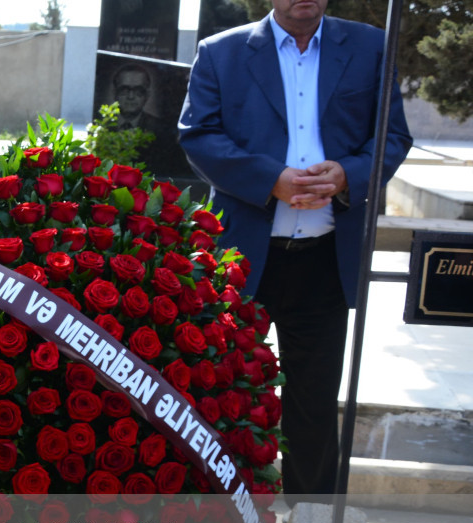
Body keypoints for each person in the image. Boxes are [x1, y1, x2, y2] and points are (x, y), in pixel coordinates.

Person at [178, 0, 412, 496]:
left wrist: (350, 172)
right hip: (243, 263)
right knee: (227, 395)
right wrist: (272, 180)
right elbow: (198, 134)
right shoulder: (221, 52)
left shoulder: (370, 46)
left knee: (314, 405)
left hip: (327, 258)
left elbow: (391, 135)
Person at [113, 64, 161, 133]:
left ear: (147, 95)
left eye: (138, 91)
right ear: (114, 93)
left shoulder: (159, 128)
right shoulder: (101, 123)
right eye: (124, 90)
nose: (130, 96)